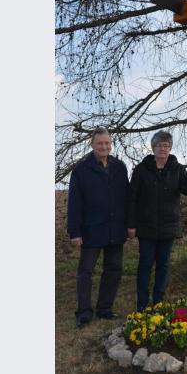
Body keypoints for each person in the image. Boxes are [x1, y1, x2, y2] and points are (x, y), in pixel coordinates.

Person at [127, 131, 187, 311]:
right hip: (146, 227)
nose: (163, 148)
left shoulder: (177, 169)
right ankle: (142, 304)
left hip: (169, 227)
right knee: (145, 264)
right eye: (159, 145)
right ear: (153, 148)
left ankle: (158, 302)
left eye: (166, 145)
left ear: (170, 148)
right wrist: (131, 224)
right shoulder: (141, 169)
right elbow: (131, 199)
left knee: (163, 265)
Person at [66, 127, 129, 328]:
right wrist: (74, 231)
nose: (104, 146)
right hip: (91, 229)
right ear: (92, 145)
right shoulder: (81, 170)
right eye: (100, 143)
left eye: (107, 143)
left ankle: (104, 309)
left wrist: (129, 224)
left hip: (115, 229)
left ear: (111, 144)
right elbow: (74, 203)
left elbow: (126, 199)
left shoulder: (120, 167)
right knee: (85, 272)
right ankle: (84, 313)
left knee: (113, 270)